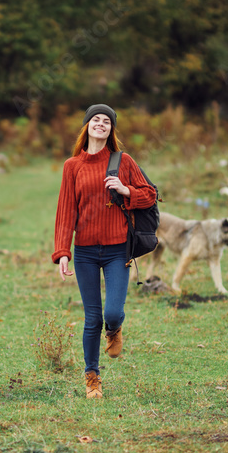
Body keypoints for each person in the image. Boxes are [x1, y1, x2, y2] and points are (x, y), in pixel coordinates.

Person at [52, 104, 157, 399]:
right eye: (96, 119)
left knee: (112, 313)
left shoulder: (123, 161)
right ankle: (92, 378)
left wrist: (127, 191)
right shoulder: (72, 166)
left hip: (117, 250)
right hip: (84, 251)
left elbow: (150, 194)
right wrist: (62, 251)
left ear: (111, 129)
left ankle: (115, 329)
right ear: (87, 126)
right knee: (92, 318)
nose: (101, 124)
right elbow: (65, 211)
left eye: (107, 121)